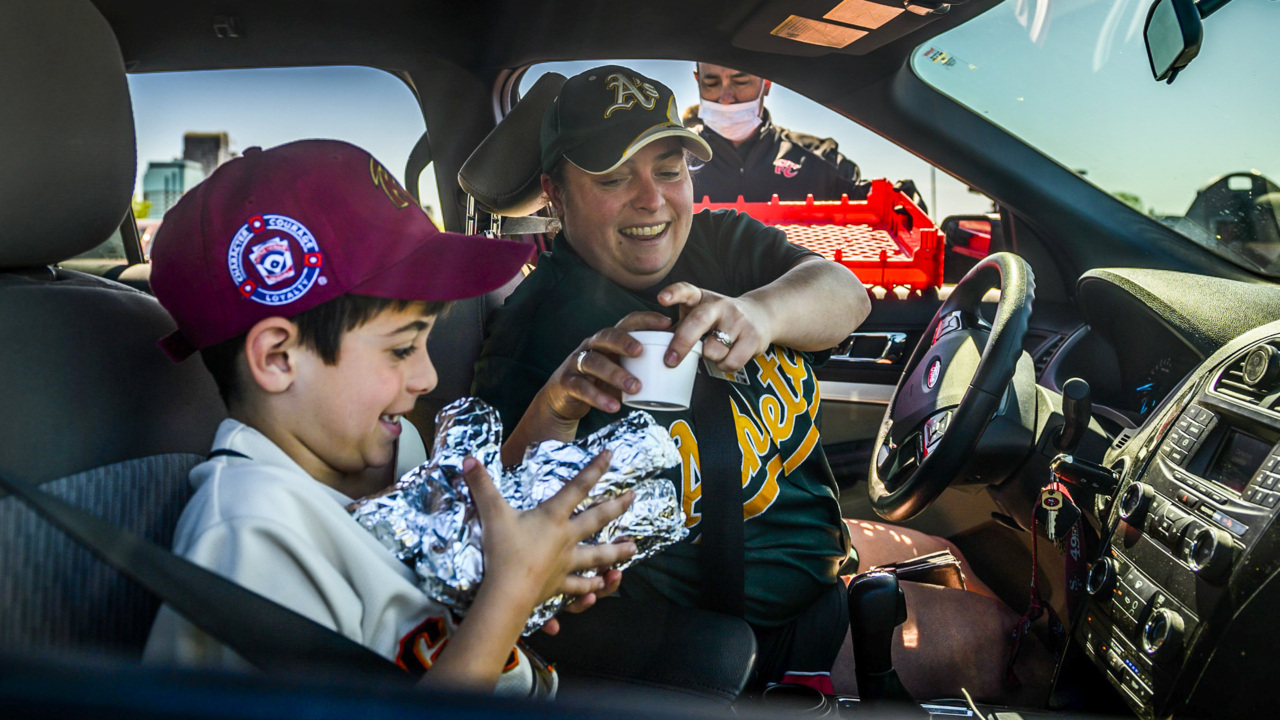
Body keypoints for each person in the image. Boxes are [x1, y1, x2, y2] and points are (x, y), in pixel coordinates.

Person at [472, 66, 1050, 701]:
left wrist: (760, 313)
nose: (652, 200)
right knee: (1015, 646)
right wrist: (557, 406)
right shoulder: (534, 334)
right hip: (758, 628)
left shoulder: (714, 241)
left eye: (669, 169)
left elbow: (846, 294)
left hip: (824, 555)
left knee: (957, 561)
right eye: (613, 178)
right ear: (555, 193)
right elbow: (498, 532)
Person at [142, 139, 637, 695]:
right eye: (402, 349)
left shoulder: (392, 449)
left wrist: (528, 571)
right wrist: (511, 593)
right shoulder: (249, 540)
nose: (426, 377)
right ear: (278, 358)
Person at [688, 62, 861, 204]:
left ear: (766, 83)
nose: (725, 98)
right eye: (711, 83)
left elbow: (876, 207)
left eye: (740, 82)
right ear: (698, 81)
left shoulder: (819, 158)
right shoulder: (677, 154)